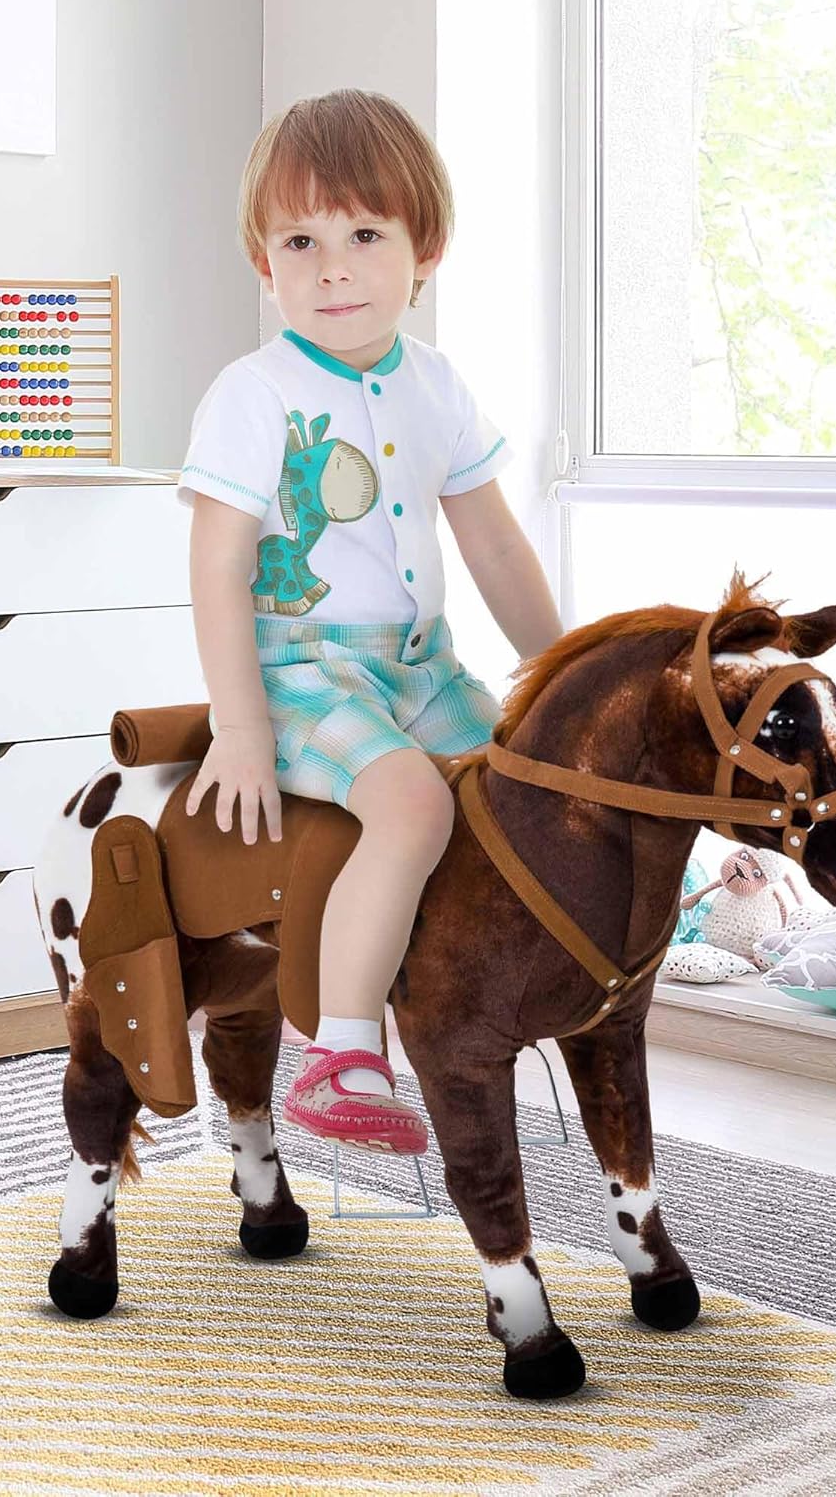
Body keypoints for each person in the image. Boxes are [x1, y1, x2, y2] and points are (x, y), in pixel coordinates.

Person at [177, 88, 564, 1154]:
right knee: (409, 805)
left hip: (422, 668)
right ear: (265, 263)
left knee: (529, 797)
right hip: (303, 669)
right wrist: (243, 725)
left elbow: (491, 543)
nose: (332, 267)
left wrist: (558, 669)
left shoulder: (435, 386)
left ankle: (497, 998)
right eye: (300, 241)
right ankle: (342, 1054)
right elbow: (216, 567)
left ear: (423, 249)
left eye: (362, 235)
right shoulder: (254, 394)